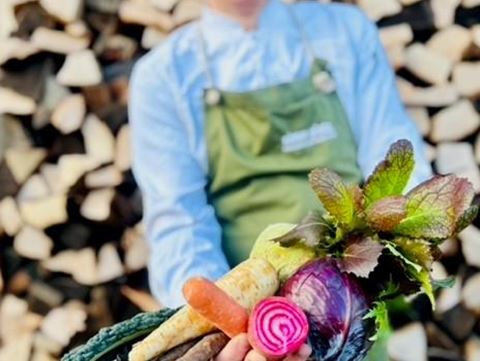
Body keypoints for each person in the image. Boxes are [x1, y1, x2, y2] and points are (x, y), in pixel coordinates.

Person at [130, 0, 431, 358]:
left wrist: (362, 279)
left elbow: (400, 168)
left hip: (351, 312)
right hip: (248, 338)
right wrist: (236, 327)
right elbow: (179, 226)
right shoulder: (164, 76)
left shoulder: (345, 33)